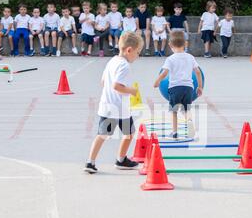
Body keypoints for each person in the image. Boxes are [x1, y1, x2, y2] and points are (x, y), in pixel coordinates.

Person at [84, 31, 144, 174]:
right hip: (120, 108)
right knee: (129, 133)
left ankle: (90, 162)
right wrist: (132, 91)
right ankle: (121, 159)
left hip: (107, 106)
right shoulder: (124, 66)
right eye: (138, 52)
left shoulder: (112, 61)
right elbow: (117, 86)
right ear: (129, 50)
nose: (138, 56)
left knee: (103, 135)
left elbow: (103, 82)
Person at [154, 31, 203, 139]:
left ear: (170, 45)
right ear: (185, 44)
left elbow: (165, 73)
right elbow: (198, 72)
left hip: (175, 88)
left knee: (174, 111)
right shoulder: (190, 57)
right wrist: (200, 87)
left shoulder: (170, 59)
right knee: (186, 110)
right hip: (188, 88)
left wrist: (157, 81)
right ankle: (189, 122)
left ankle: (174, 132)